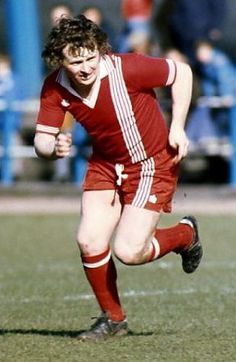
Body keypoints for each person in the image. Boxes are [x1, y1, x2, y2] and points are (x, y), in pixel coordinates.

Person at [34, 15, 203, 341]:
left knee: (129, 251)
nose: (85, 68)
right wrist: (53, 146)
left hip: (150, 164)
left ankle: (184, 234)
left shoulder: (126, 68)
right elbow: (42, 138)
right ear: (60, 60)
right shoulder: (54, 86)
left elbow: (182, 73)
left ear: (100, 50)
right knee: (89, 240)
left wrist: (178, 126)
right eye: (75, 61)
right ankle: (113, 319)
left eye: (90, 58)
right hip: (105, 165)